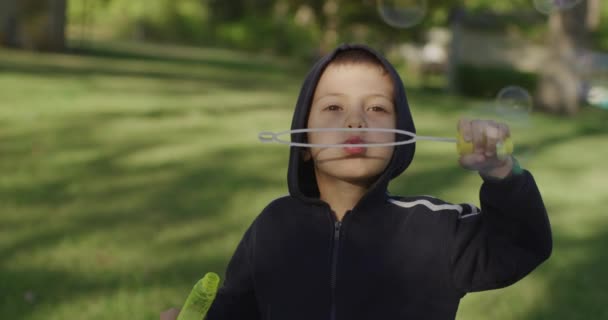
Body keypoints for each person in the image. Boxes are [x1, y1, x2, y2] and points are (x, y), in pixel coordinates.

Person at [161, 43, 552, 320]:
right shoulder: (273, 225)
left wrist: (502, 173)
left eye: (377, 108)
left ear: (402, 137)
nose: (355, 121)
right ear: (303, 145)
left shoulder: (437, 227)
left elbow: (521, 245)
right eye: (333, 107)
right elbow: (240, 309)